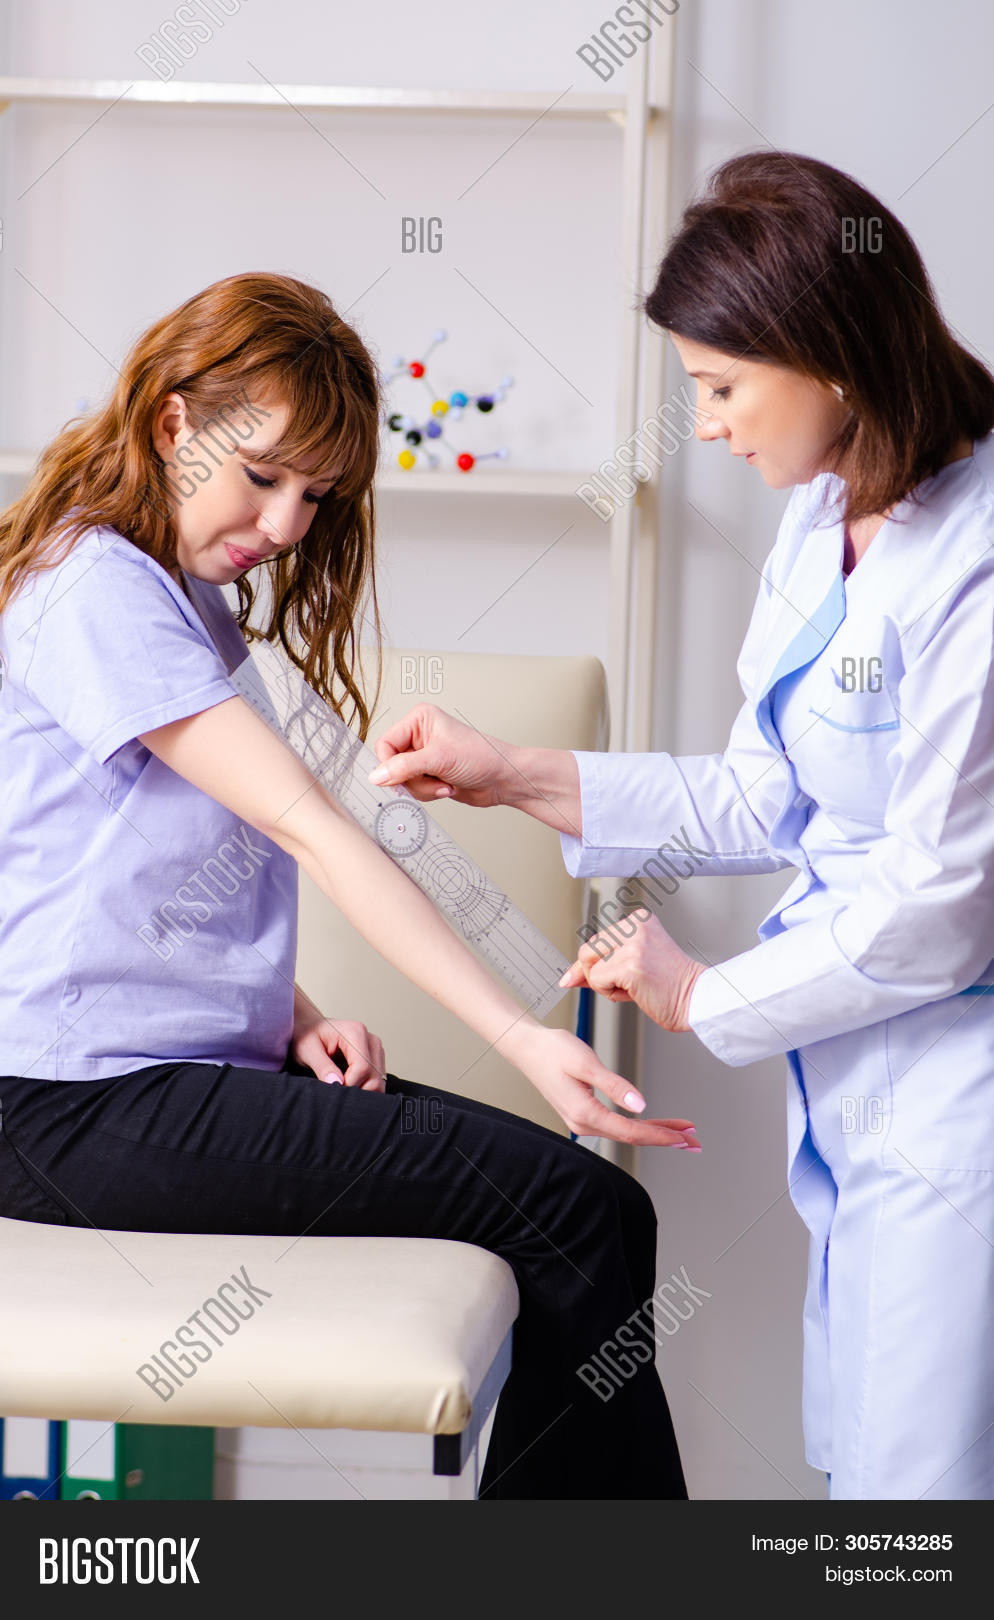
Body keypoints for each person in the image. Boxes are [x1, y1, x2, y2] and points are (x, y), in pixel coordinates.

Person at [0, 271, 701, 1501]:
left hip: (139, 1076)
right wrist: (525, 1041)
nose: (285, 524)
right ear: (172, 422)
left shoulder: (175, 592)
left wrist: (293, 1014)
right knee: (579, 1212)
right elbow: (313, 830)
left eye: (314, 495)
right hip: (65, 1105)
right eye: (262, 476)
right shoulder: (99, 586)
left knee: (593, 1213)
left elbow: (115, 871)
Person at [368, 152, 994, 1501]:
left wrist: (701, 994)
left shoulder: (978, 557)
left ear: (828, 356)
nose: (704, 426)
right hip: (863, 1072)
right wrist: (510, 772)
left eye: (719, 387)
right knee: (874, 1471)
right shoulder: (828, 510)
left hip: (959, 1080)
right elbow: (761, 791)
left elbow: (942, 904)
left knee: (921, 1494)